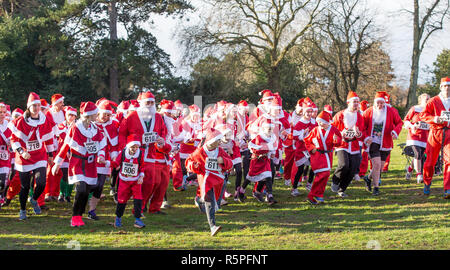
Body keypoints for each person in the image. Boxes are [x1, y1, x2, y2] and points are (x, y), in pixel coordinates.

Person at [52, 101, 107, 227]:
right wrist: (58, 163)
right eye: (95, 113)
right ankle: (75, 216)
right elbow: (66, 145)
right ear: (89, 115)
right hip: (77, 163)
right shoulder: (76, 128)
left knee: (86, 191)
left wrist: (101, 156)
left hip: (91, 164)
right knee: (81, 189)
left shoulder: (95, 128)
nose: (97, 115)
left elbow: (102, 144)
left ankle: (80, 214)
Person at [118, 91, 168, 216]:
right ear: (141, 103)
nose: (150, 105)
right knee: (130, 183)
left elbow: (162, 132)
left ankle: (140, 208)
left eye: (152, 102)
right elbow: (122, 133)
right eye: (147, 102)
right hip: (134, 154)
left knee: (151, 183)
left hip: (151, 154)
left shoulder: (157, 117)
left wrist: (161, 140)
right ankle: (122, 208)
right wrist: (125, 150)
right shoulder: (131, 116)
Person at [9, 92, 56, 220]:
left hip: (39, 155)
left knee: (41, 182)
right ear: (28, 107)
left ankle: (34, 199)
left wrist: (50, 155)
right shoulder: (19, 121)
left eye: (38, 105)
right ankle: (23, 209)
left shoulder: (44, 119)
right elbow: (13, 140)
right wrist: (21, 151)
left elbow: (48, 139)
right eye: (33, 106)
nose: (36, 108)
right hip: (24, 157)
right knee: (24, 186)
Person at [185, 128, 233, 236]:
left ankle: (199, 199)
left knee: (212, 199)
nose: (220, 142)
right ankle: (213, 226)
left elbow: (230, 163)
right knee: (210, 200)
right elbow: (188, 162)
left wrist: (223, 161)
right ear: (211, 141)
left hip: (218, 179)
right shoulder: (200, 151)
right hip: (206, 179)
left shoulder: (219, 150)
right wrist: (194, 166)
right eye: (218, 140)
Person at [362, 91, 403, 196]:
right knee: (375, 164)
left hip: (385, 142)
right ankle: (376, 188)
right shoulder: (368, 112)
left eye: (382, 103)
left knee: (379, 167)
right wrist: (366, 137)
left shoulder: (391, 111)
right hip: (373, 142)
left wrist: (395, 132)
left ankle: (368, 178)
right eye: (378, 103)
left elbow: (399, 122)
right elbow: (363, 126)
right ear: (374, 102)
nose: (380, 105)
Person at [87, 99, 119, 220]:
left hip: (104, 159)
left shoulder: (112, 126)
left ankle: (91, 210)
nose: (105, 117)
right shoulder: (90, 124)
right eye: (103, 114)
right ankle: (82, 203)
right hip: (91, 158)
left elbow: (114, 144)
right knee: (90, 184)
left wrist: (114, 157)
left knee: (100, 185)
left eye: (108, 115)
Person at [419, 77, 450, 198]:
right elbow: (423, 115)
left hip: (449, 133)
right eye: (445, 86)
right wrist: (434, 119)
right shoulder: (433, 100)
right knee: (430, 161)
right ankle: (427, 182)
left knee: (449, 161)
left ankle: (447, 188)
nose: (447, 89)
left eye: (449, 86)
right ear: (441, 87)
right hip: (435, 132)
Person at [330, 91, 365, 197]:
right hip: (342, 144)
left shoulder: (360, 116)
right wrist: (341, 133)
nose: (356, 104)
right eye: (354, 102)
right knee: (344, 165)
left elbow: (362, 132)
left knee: (353, 168)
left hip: (354, 145)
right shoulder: (340, 115)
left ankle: (342, 189)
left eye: (357, 102)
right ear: (348, 103)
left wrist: (359, 134)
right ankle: (335, 180)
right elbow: (331, 129)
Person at [304, 111, 342, 204]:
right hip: (317, 155)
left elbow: (339, 141)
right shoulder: (315, 130)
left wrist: (335, 141)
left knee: (325, 175)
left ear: (327, 122)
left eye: (322, 122)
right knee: (322, 174)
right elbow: (307, 140)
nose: (320, 123)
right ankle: (313, 195)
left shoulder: (333, 130)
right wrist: (311, 148)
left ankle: (318, 194)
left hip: (328, 155)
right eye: (319, 122)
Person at [108, 134, 145, 228]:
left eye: (136, 147)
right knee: (121, 200)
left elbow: (142, 166)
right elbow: (116, 163)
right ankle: (118, 219)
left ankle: (137, 219)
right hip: (124, 180)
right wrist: (107, 162)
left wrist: (141, 176)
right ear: (129, 146)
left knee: (138, 199)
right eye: (133, 147)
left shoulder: (140, 154)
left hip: (136, 180)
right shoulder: (123, 153)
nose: (135, 149)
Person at [291, 98, 317, 195]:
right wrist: (304, 133)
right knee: (300, 169)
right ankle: (294, 188)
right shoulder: (299, 123)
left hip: (312, 148)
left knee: (314, 167)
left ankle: (309, 184)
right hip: (301, 149)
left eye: (311, 112)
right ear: (303, 112)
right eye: (308, 112)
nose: (310, 114)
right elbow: (295, 136)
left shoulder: (314, 122)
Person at [403, 93, 430, 183]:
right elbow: (406, 120)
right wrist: (412, 126)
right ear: (421, 100)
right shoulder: (415, 108)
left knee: (419, 156)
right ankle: (419, 175)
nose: (428, 101)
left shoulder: (430, 111)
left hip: (424, 137)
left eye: (429, 99)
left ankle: (410, 169)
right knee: (417, 154)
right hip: (414, 136)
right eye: (426, 99)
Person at [0, 103, 12, 204]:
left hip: (4, 156)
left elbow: (12, 141)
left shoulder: (8, 126)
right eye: (0, 112)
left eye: (4, 112)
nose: (2, 114)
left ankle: (1, 197)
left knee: (3, 181)